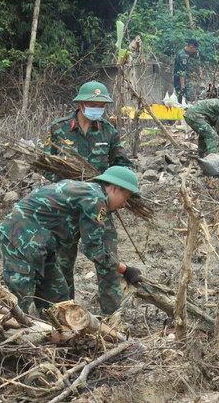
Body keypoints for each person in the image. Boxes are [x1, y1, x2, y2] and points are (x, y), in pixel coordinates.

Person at [0, 166, 143, 315]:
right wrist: (125, 269)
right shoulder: (95, 199)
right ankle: (3, 325)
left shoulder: (90, 193)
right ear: (114, 188)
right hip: (21, 235)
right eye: (126, 197)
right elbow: (93, 250)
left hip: (42, 242)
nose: (124, 204)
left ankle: (54, 328)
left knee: (59, 297)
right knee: (19, 298)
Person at [44, 81, 134, 301]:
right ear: (81, 104)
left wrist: (109, 184)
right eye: (93, 104)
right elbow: (46, 165)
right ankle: (65, 311)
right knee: (62, 263)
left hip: (99, 207)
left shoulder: (108, 131)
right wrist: (69, 182)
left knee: (107, 258)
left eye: (101, 105)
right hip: (66, 208)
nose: (97, 109)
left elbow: (123, 165)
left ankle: (111, 313)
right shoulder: (59, 129)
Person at [174, 39, 201, 104]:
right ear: (191, 47)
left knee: (185, 100)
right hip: (181, 82)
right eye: (194, 49)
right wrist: (183, 87)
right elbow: (182, 73)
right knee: (183, 100)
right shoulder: (183, 56)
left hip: (183, 80)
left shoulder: (182, 52)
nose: (194, 51)